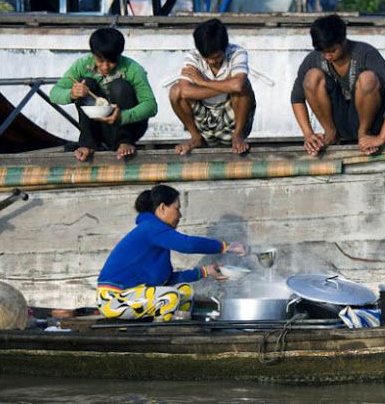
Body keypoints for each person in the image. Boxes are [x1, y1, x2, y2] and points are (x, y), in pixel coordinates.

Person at [96, 185, 249, 322]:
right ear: (162, 208)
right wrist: (226, 246)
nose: (180, 215)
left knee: (185, 291)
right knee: (170, 296)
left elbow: (168, 279)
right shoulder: (151, 228)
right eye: (177, 208)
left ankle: (177, 328)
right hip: (113, 299)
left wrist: (205, 271)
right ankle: (162, 333)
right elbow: (187, 244)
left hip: (134, 295)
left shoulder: (156, 233)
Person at [291, 14, 385, 156]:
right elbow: (297, 98)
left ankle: (364, 134)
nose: (328, 56)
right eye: (323, 52)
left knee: (367, 78)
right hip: (337, 121)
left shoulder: (365, 53)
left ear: (343, 41)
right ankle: (331, 134)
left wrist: (382, 137)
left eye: (332, 51)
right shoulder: (313, 59)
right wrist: (308, 134)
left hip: (366, 121)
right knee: (312, 77)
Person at [50, 27, 157, 162]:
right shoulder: (82, 65)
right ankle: (89, 144)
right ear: (93, 54)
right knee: (86, 83)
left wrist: (122, 116)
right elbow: (54, 94)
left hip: (129, 126)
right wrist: (71, 94)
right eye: (100, 61)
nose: (105, 67)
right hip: (98, 127)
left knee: (120, 86)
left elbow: (151, 106)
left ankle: (124, 141)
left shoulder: (133, 69)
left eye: (111, 61)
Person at [169, 18, 256, 155]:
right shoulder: (193, 57)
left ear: (224, 48)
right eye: (207, 58)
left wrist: (203, 82)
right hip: (204, 121)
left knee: (244, 86)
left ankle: (238, 135)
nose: (211, 61)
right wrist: (227, 85)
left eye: (216, 57)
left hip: (232, 119)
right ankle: (196, 137)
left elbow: (238, 85)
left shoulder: (237, 53)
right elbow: (185, 91)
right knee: (175, 91)